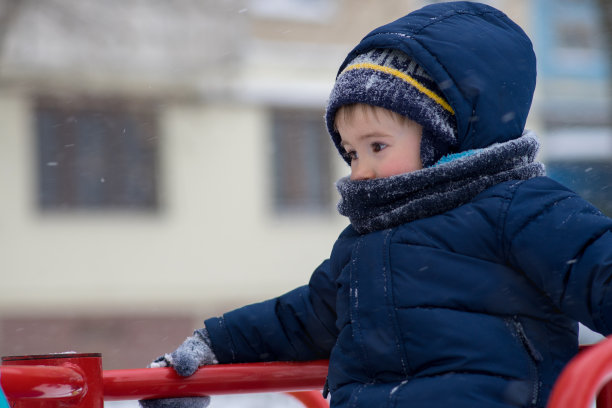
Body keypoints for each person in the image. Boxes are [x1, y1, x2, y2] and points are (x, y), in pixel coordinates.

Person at [139, 2, 612, 407]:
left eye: (377, 146)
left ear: (444, 138)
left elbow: (598, 267)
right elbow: (306, 316)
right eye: (350, 152)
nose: (359, 168)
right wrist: (215, 346)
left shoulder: (521, 208)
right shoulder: (364, 242)